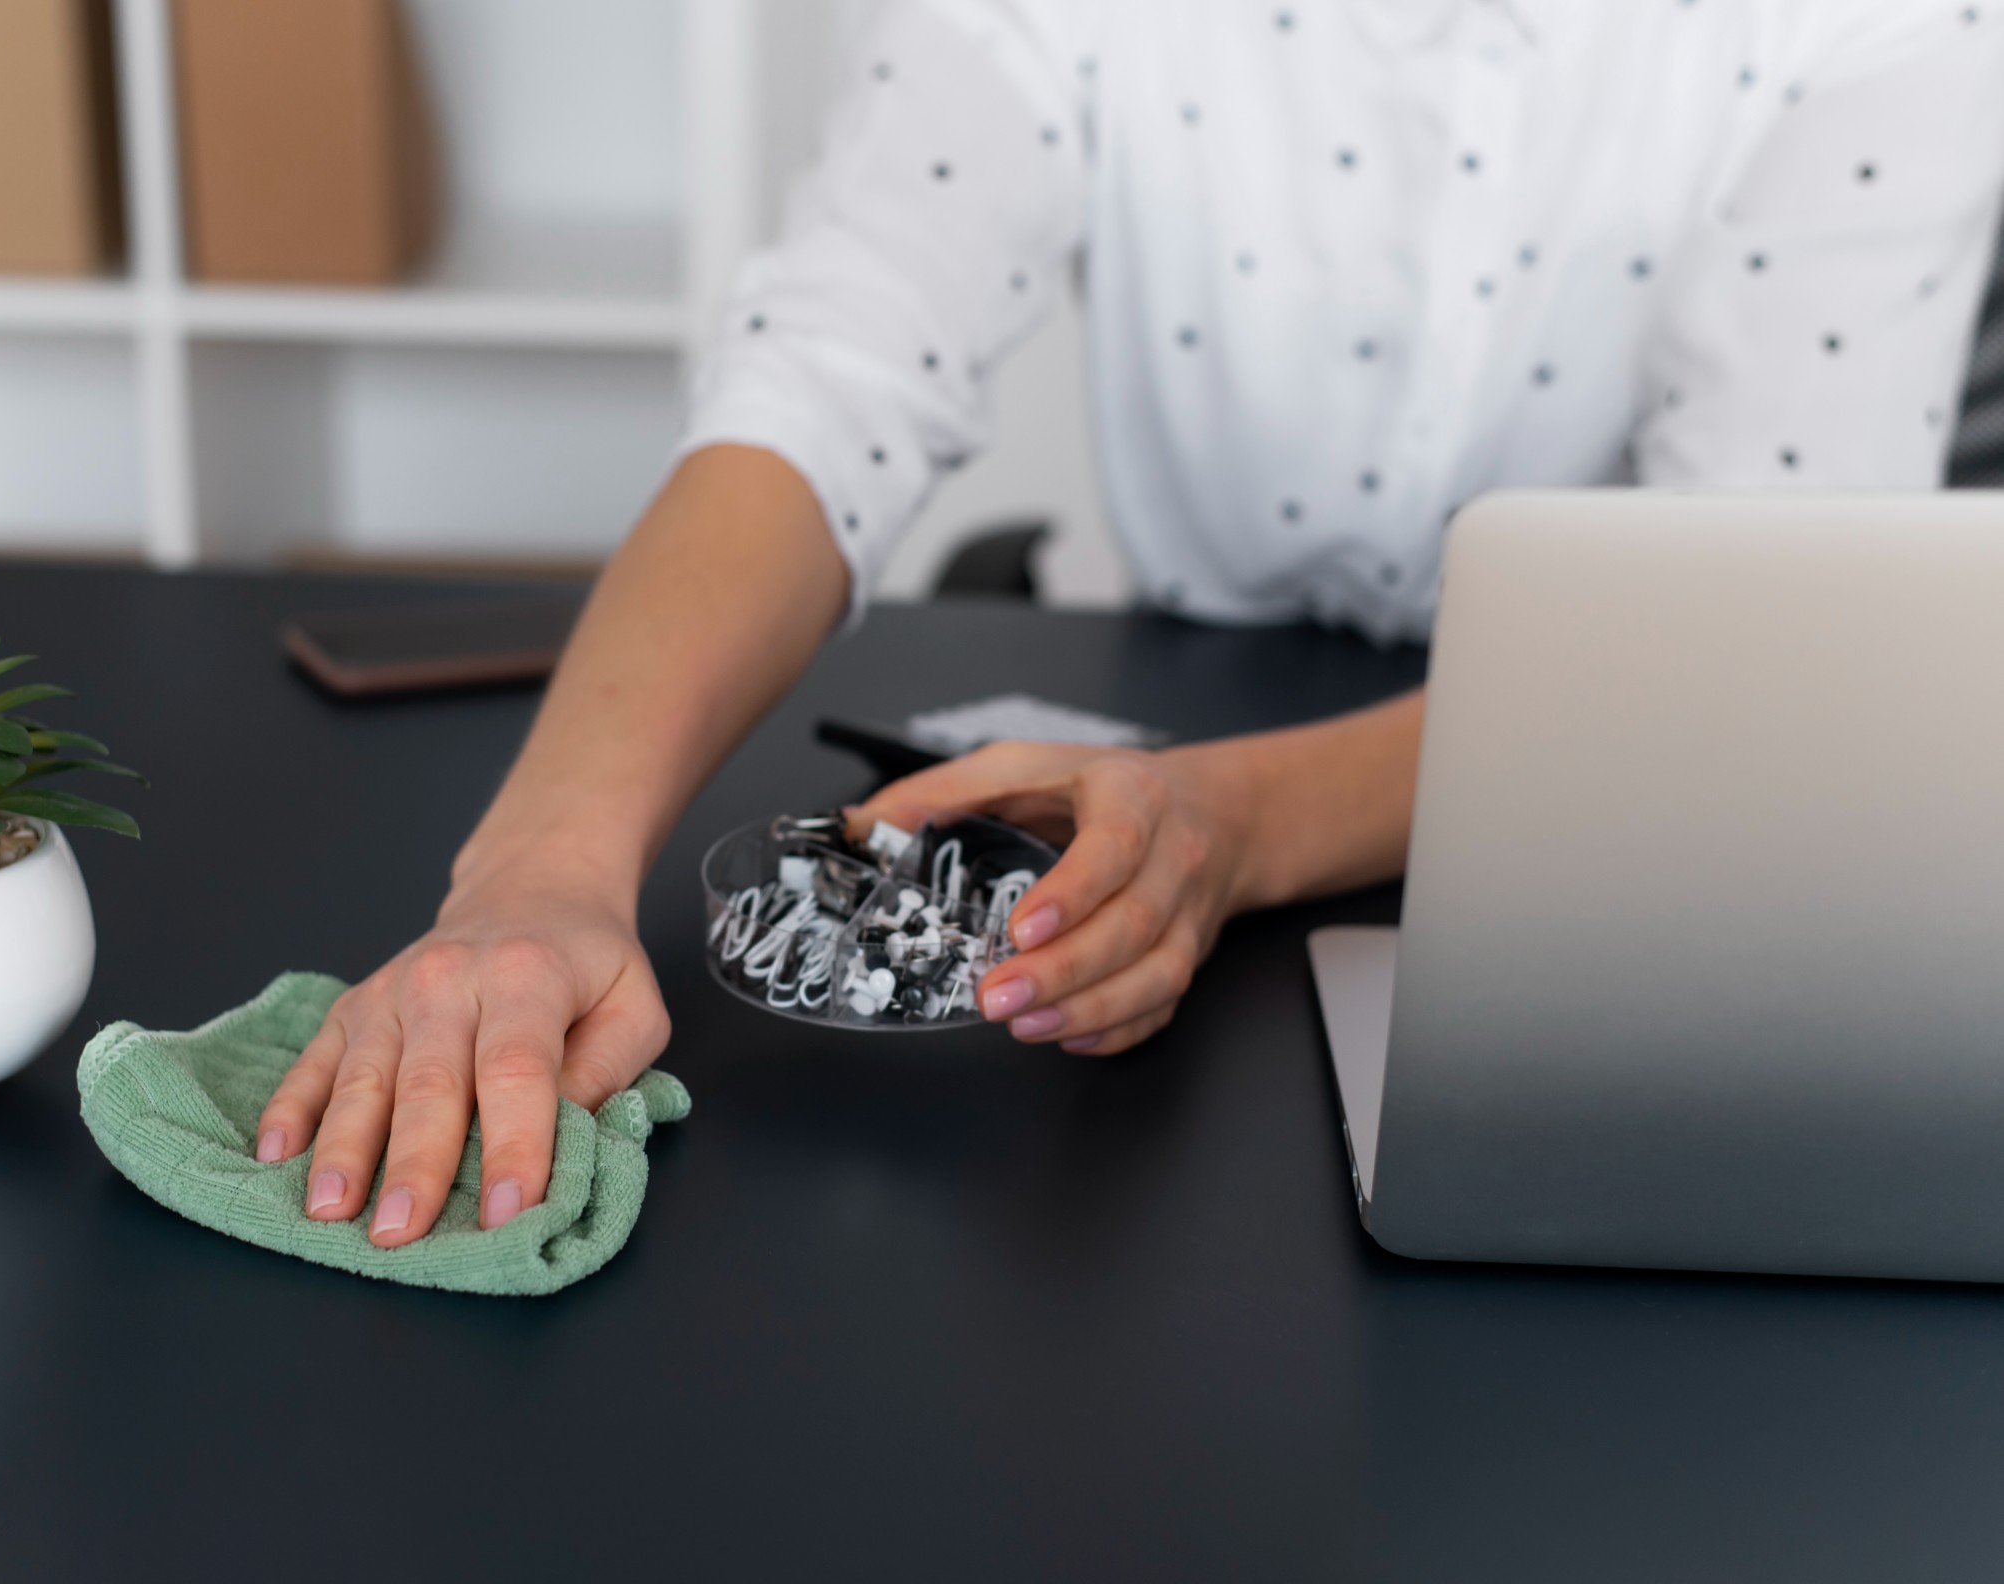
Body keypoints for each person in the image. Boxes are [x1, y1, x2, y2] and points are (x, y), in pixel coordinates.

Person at [253, 0, 2004, 1245]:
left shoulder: (1881, 25)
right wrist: (537, 873)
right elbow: (827, 378)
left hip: (1620, 808)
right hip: (1181, 703)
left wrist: (1232, 825)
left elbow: (1723, 626)